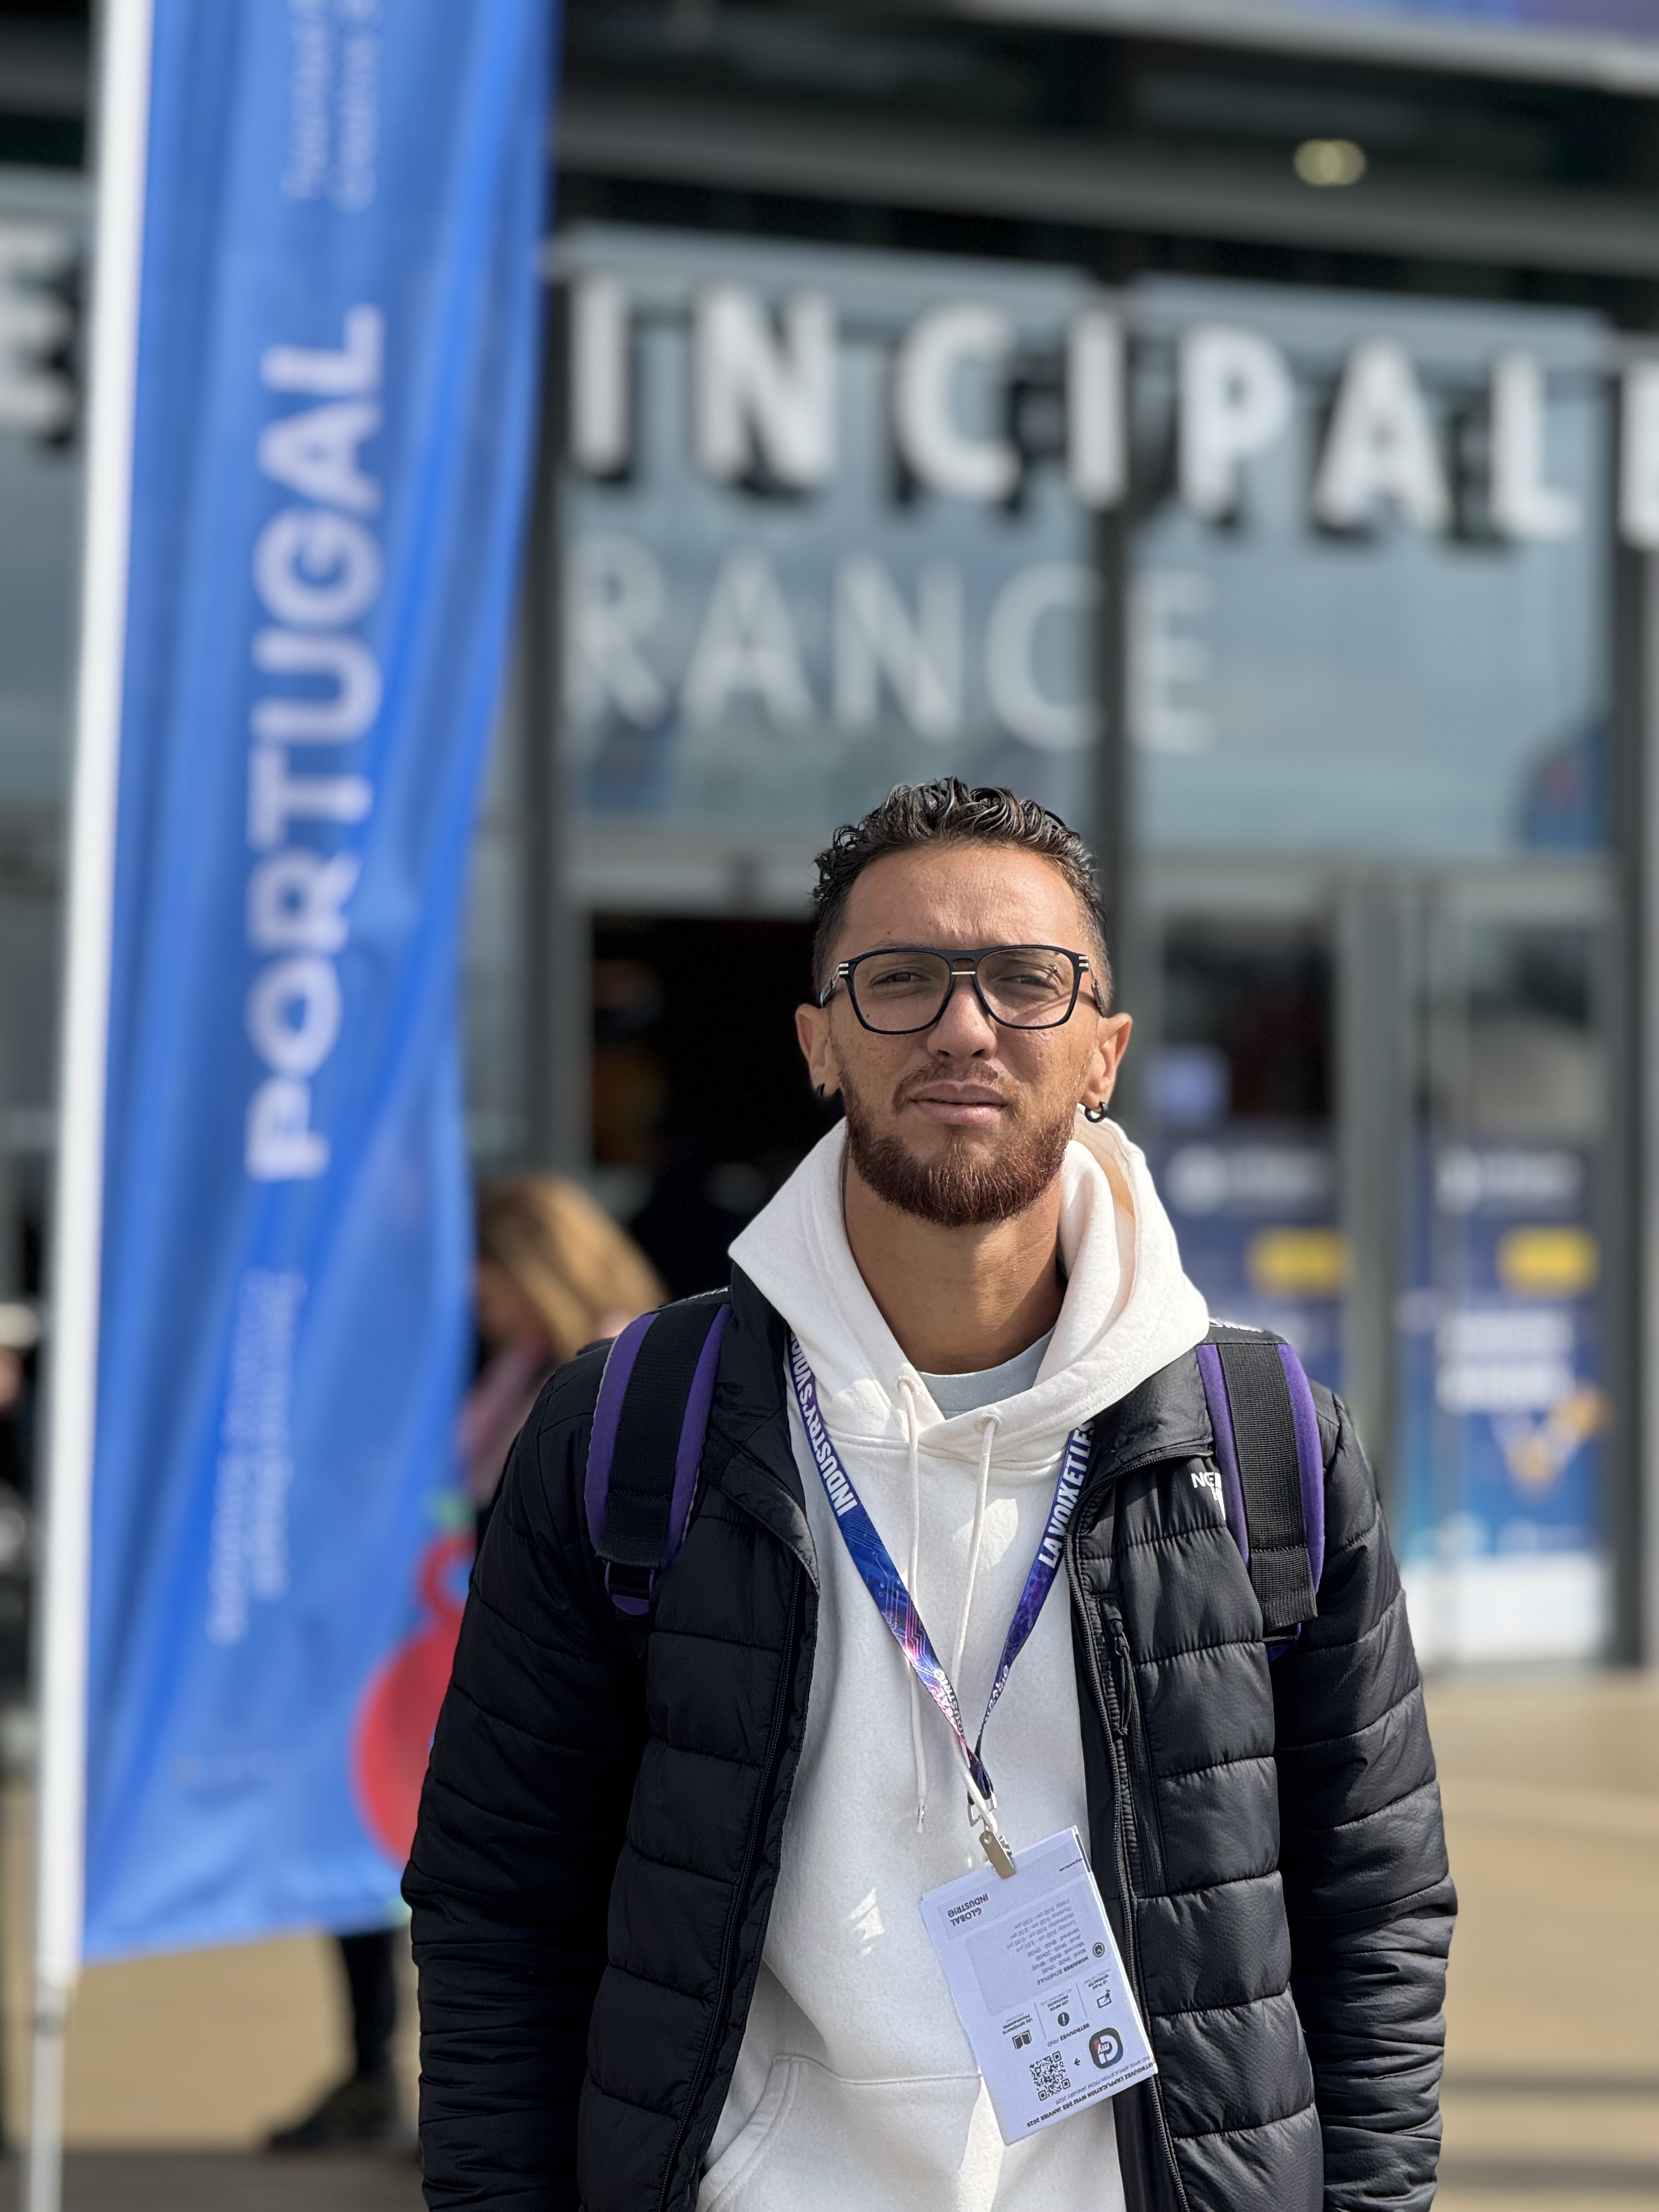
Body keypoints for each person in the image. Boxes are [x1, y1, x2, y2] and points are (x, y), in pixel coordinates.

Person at [405, 780, 1455, 2212]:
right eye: (900, 979)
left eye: (1025, 981)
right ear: (818, 1043)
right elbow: (498, 1905)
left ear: (1104, 1051)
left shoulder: (1263, 1444)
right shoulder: (632, 1429)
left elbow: (1376, 1911)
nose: (965, 1026)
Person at [271, 1175, 663, 2152]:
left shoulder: (618, 1373)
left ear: (534, 1268)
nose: (477, 1304)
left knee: (528, 1904)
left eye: (487, 1281)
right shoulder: (524, 1373)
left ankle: (510, 2112)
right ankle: (406, 2085)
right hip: (481, 1674)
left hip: (564, 1701)